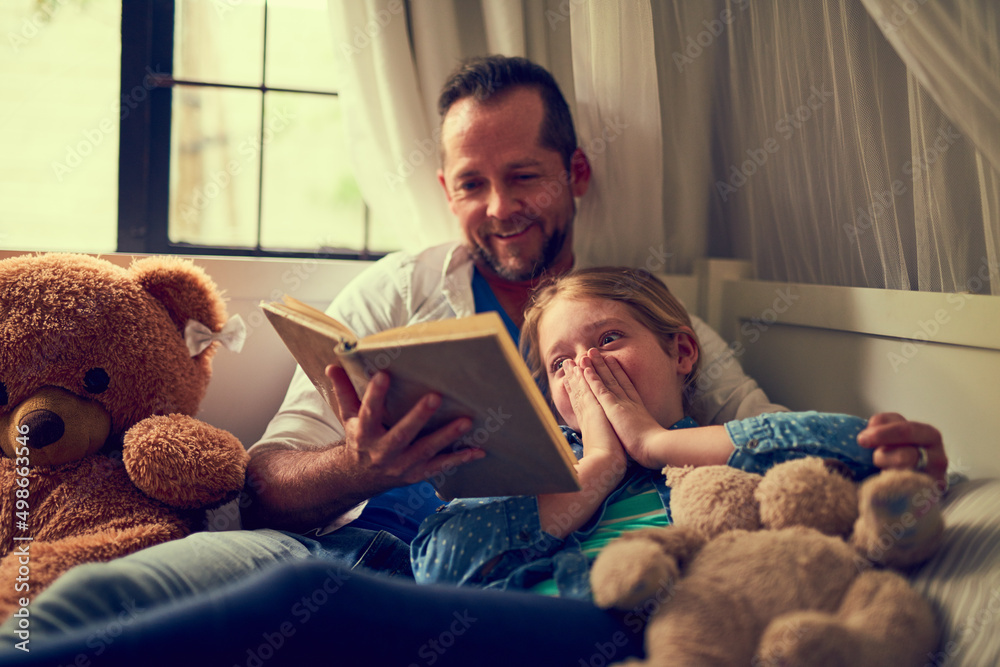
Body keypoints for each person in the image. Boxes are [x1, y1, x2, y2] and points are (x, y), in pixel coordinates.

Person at [0, 55, 946, 642]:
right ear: (448, 189)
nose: (500, 209)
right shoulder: (397, 289)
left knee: (292, 606)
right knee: (114, 595)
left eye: (525, 176)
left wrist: (880, 449)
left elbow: (765, 432)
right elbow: (261, 477)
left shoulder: (642, 321)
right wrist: (358, 461)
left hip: (457, 575)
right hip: (327, 538)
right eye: (472, 183)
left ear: (575, 174)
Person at [411, 267, 934, 598]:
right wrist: (596, 467)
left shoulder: (719, 446)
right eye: (560, 364)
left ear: (681, 353)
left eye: (609, 339)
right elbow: (438, 569)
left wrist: (654, 444)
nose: (586, 368)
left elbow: (857, 446)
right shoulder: (534, 470)